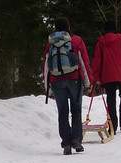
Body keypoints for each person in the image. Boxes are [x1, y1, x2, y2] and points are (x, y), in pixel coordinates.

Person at [43, 17, 94, 155]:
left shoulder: (50, 44)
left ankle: (66, 143)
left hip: (56, 81)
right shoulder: (76, 40)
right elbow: (84, 63)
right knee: (76, 111)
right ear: (68, 26)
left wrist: (48, 89)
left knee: (62, 112)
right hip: (74, 79)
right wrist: (88, 83)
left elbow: (46, 67)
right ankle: (76, 139)